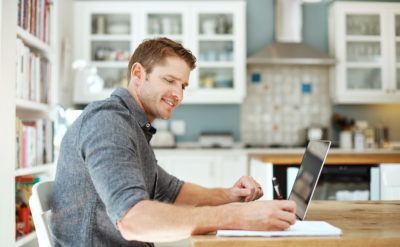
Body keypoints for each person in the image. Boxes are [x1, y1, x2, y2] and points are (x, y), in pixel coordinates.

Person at [50, 37, 296, 247]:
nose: (178, 94)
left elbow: (171, 191)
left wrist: (231, 195)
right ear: (138, 74)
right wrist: (237, 217)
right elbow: (133, 220)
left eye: (183, 85)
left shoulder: (131, 124)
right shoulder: (108, 122)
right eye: (169, 80)